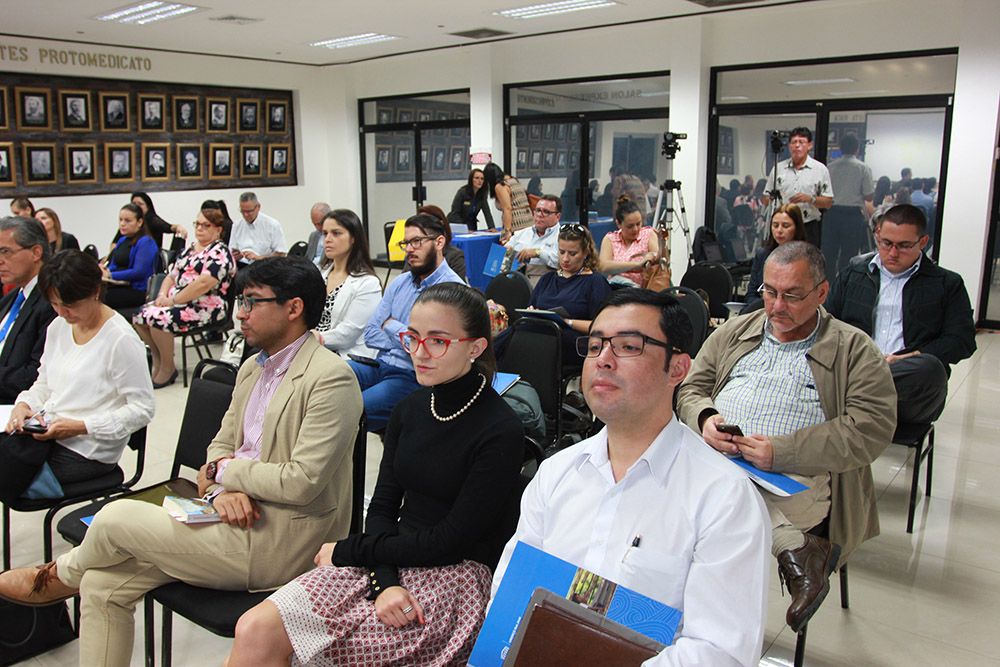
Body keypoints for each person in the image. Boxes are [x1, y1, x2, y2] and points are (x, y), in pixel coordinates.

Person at [0, 257, 363, 667]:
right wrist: (221, 485)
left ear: (293, 308)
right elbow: (219, 446)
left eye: (251, 302)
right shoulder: (251, 368)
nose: (239, 314)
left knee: (116, 518)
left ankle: (59, 577)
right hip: (227, 513)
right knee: (102, 585)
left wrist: (224, 473)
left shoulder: (330, 378)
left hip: (278, 539)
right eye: (240, 301)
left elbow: (302, 480)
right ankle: (76, 578)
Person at [227, 282, 523, 666]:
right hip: (389, 558)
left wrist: (351, 551)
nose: (419, 353)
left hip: (452, 579)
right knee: (254, 627)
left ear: (476, 347)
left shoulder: (500, 429)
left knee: (307, 655)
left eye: (437, 342)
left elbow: (450, 540)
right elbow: (383, 505)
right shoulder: (411, 409)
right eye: (412, 338)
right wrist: (384, 581)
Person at [493, 288, 770, 665]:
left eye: (627, 346)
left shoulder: (723, 497)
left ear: (677, 368)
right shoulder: (557, 473)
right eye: (594, 346)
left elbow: (720, 652)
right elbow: (511, 592)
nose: (603, 360)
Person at [676, 241, 896, 634]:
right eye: (769, 292)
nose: (777, 306)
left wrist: (781, 453)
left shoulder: (853, 348)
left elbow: (870, 427)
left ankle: (707, 634)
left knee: (714, 512)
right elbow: (691, 388)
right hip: (716, 461)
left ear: (822, 293)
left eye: (792, 295)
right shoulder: (737, 329)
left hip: (795, 480)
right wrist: (706, 418)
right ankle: (794, 548)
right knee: (701, 495)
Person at [0, 250, 154, 504]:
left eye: (69, 305)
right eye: (54, 304)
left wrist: (82, 426)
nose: (61, 312)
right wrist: (24, 405)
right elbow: (44, 383)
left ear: (95, 290)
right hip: (50, 432)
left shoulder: (120, 340)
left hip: (88, 450)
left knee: (9, 474)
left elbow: (143, 409)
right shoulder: (59, 326)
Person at [826, 204, 976, 426]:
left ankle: (857, 401)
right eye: (886, 243)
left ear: (923, 243)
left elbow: (962, 341)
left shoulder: (946, 284)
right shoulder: (852, 276)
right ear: (878, 236)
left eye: (904, 246)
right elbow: (827, 324)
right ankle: (860, 399)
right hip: (855, 367)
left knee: (929, 369)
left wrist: (912, 356)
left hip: (907, 386)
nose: (893, 253)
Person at [349, 214, 464, 432]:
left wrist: (391, 325)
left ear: (439, 242)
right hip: (378, 365)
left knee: (351, 411)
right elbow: (371, 334)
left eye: (416, 241)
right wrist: (410, 338)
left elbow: (430, 348)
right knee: (325, 384)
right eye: (406, 243)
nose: (409, 249)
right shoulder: (400, 282)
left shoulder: (452, 290)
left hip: (413, 375)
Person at [133, 207, 236, 388]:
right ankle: (160, 360)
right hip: (178, 302)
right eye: (197, 224)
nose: (199, 229)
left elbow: (204, 284)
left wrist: (173, 301)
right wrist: (162, 294)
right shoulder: (190, 249)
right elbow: (171, 275)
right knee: (140, 316)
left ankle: (167, 368)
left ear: (218, 229)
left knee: (159, 319)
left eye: (206, 225)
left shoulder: (219, 252)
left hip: (206, 306)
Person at [527, 223, 611, 366]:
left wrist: (567, 322)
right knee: (518, 331)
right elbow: (531, 307)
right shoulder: (547, 279)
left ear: (586, 253)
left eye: (572, 254)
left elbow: (603, 327)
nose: (565, 259)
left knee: (533, 339)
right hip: (543, 334)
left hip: (574, 341)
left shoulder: (595, 282)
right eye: (561, 252)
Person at [0, 217, 56, 403]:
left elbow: (36, 374)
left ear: (35, 252)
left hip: (18, 405)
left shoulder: (53, 301)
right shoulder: (13, 296)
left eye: (5, 252)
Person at [313, 208, 381, 358]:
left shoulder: (368, 283)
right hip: (314, 349)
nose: (328, 239)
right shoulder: (319, 273)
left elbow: (347, 334)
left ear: (353, 238)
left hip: (346, 355)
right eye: (325, 233)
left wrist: (310, 339)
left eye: (336, 233)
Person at [763, 127, 833, 248]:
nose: (797, 146)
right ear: (789, 146)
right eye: (794, 142)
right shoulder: (778, 169)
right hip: (783, 226)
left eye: (801, 142)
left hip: (808, 226)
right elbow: (766, 198)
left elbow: (828, 203)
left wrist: (810, 199)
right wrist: (778, 201)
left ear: (810, 145)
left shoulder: (820, 170)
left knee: (806, 263)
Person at [824, 133, 875, 275]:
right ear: (857, 149)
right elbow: (869, 196)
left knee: (829, 253)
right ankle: (845, 284)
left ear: (840, 148)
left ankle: (829, 286)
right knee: (849, 254)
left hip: (831, 214)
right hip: (852, 216)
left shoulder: (830, 167)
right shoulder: (863, 168)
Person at [745, 204, 807, 305]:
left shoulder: (807, 258)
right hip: (762, 310)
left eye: (786, 226)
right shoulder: (762, 255)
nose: (779, 231)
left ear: (797, 228)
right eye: (775, 225)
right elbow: (751, 295)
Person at [102, 203, 158, 310]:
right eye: (120, 220)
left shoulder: (146, 242)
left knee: (102, 297)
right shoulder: (122, 240)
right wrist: (104, 271)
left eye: (127, 221)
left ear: (139, 222)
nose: (122, 224)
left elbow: (138, 272)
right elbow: (113, 265)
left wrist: (110, 275)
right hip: (119, 285)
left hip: (137, 290)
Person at [599, 198, 661, 287]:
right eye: (630, 226)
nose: (635, 229)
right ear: (618, 224)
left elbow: (656, 259)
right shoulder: (610, 239)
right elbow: (603, 266)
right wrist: (637, 264)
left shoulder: (648, 234)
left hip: (640, 291)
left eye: (638, 224)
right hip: (615, 288)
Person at [504, 193, 561, 286]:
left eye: (545, 212)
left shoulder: (563, 236)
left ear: (558, 216)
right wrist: (506, 251)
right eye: (537, 210)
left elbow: (564, 261)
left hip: (547, 282)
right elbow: (506, 250)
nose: (539, 215)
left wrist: (538, 253)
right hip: (517, 280)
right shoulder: (521, 234)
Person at [114, 191, 187, 251]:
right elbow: (115, 242)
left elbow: (168, 227)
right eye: (134, 204)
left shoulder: (152, 220)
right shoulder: (128, 224)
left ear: (147, 206)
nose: (137, 207)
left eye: (140, 204)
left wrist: (178, 227)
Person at [231, 192, 287, 268]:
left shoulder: (272, 225)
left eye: (249, 211)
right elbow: (231, 252)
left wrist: (258, 257)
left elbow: (281, 255)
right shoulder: (237, 226)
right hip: (242, 267)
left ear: (258, 207)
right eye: (243, 211)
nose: (246, 215)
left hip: (264, 266)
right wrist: (236, 256)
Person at [483, 162, 532, 243]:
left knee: (509, 250)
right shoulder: (514, 180)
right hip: (528, 220)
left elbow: (508, 208)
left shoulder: (501, 186)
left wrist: (507, 230)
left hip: (516, 222)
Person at [415, 204, 466, 280]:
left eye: (426, 223)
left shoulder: (455, 255)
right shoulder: (414, 252)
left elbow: (456, 288)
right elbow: (405, 281)